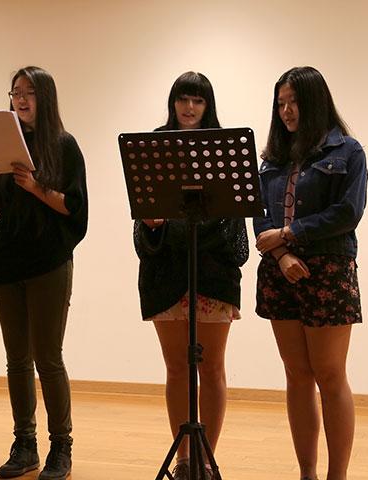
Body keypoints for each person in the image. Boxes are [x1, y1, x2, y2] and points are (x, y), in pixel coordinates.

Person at [133, 71, 249, 480]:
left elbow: (234, 233)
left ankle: (205, 458)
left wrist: (175, 227)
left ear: (207, 105)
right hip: (166, 276)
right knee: (176, 369)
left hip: (213, 276)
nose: (189, 107)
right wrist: (153, 224)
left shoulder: (224, 149)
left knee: (212, 368)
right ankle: (184, 459)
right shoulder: (153, 146)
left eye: (197, 100)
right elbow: (143, 230)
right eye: (183, 99)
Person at [254, 66, 368, 480]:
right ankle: (307, 473)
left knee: (330, 374)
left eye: (294, 101)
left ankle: (337, 476)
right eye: (280, 103)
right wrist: (282, 254)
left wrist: (289, 232)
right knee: (297, 375)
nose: (286, 111)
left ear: (315, 101)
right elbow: (259, 216)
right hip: (281, 270)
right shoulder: (271, 159)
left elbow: (348, 213)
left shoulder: (348, 152)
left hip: (328, 271)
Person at [0, 66, 88, 480]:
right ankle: (25, 444)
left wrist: (35, 186)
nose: (21, 99)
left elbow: (75, 210)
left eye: (30, 92)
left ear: (46, 97)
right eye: (16, 92)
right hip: (6, 260)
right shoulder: (3, 143)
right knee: (16, 359)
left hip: (49, 261)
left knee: (48, 357)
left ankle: (62, 446)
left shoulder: (64, 145)